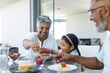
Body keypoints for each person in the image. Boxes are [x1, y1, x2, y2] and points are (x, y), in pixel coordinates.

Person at [54, 0, 110, 73]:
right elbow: (98, 62)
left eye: (92, 12)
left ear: (105, 11)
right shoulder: (108, 38)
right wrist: (71, 57)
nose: (90, 18)